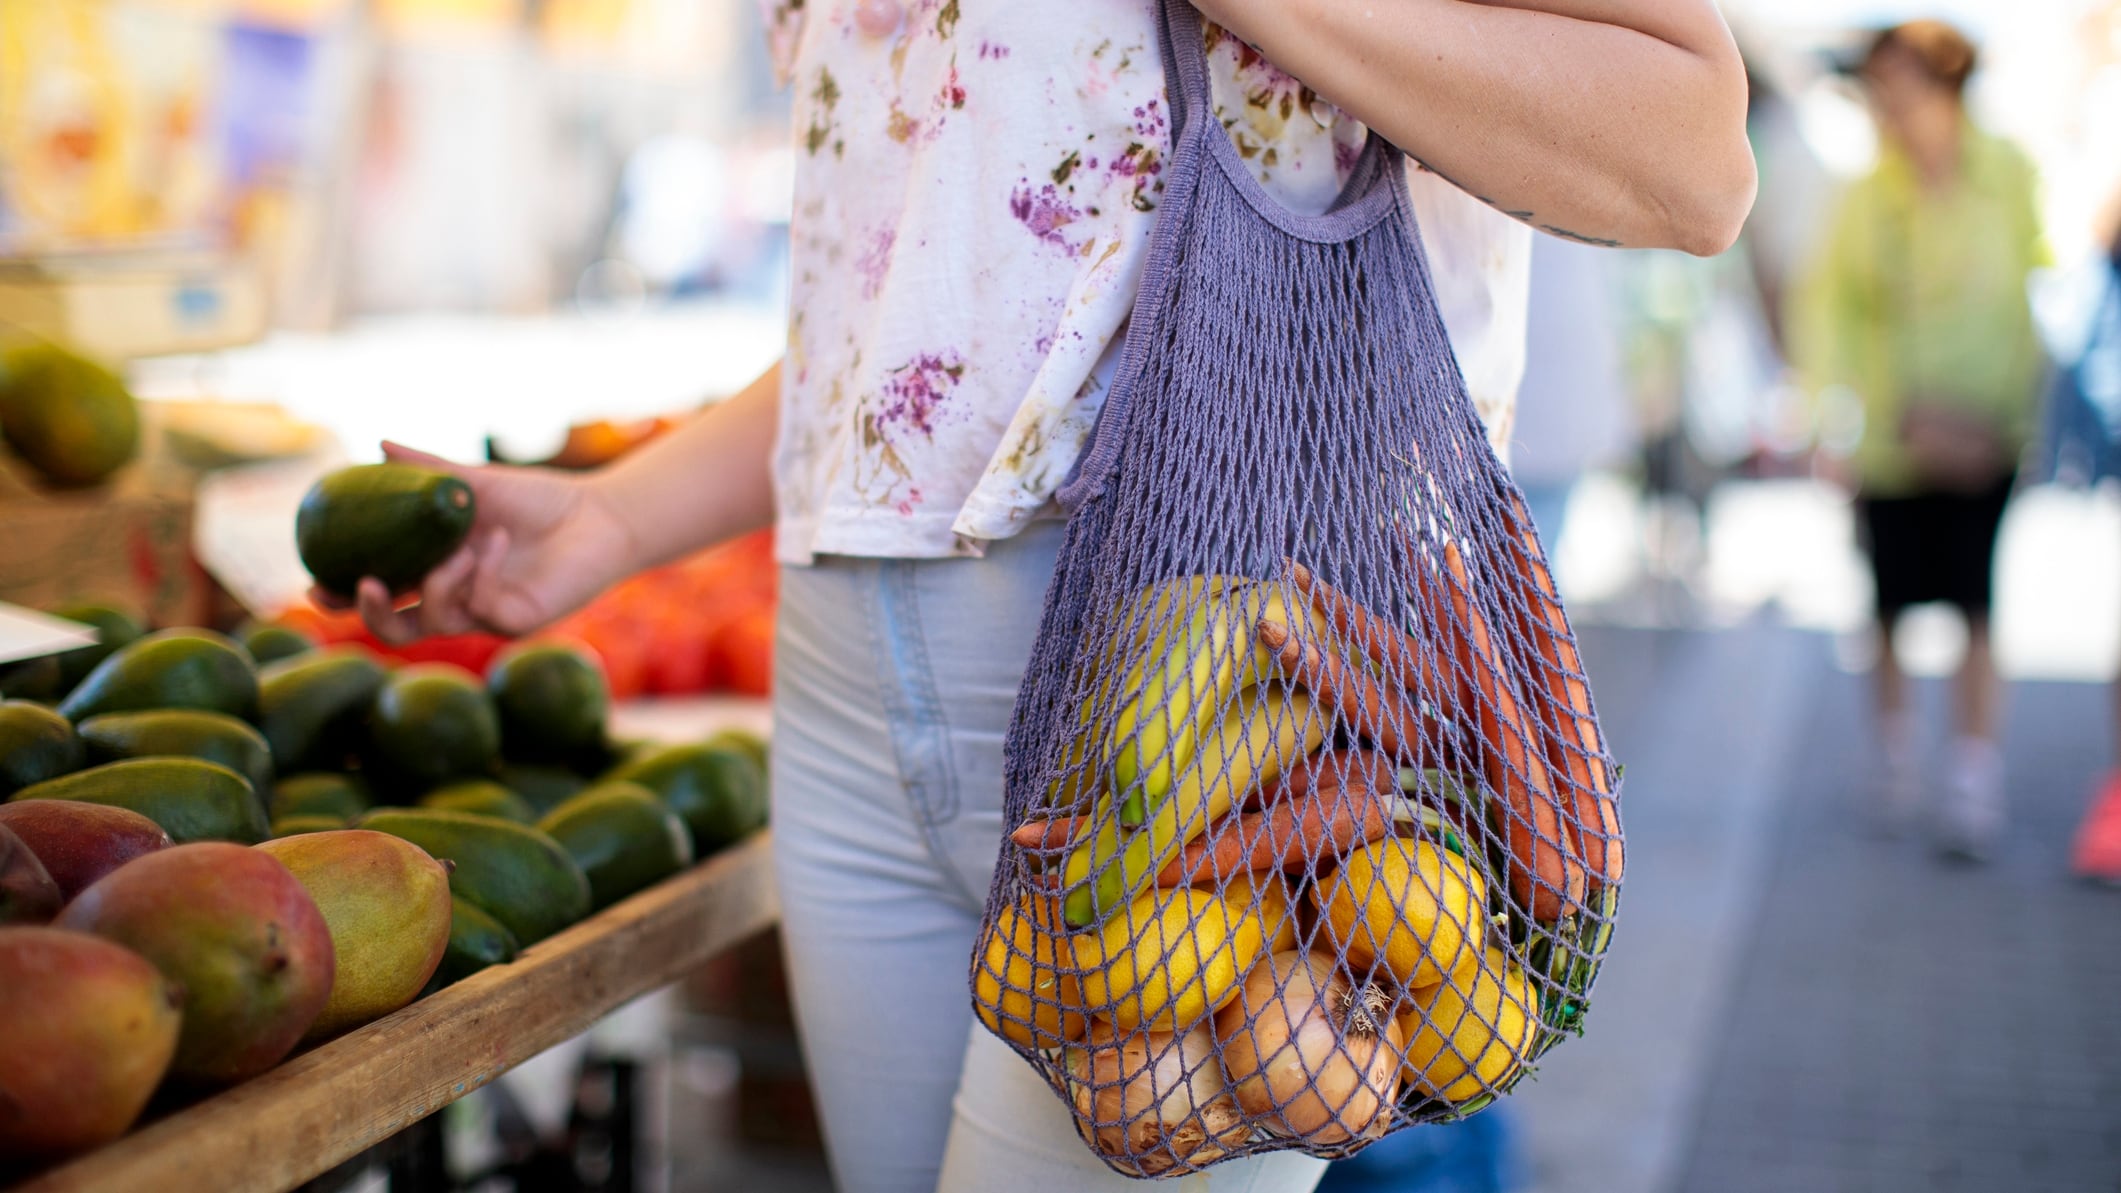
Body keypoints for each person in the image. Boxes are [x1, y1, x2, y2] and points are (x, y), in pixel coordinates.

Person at [326, 4, 1755, 1190]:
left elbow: (1689, 154)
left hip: (1216, 685)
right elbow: (921, 295)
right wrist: (616, 516)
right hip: (841, 681)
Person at [1790, 19, 2048, 860]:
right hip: (1894, 439)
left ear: (1945, 86)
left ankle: (1973, 772)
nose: (1885, 104)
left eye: (1898, 84)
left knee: (1976, 598)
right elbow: (1830, 310)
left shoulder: (2008, 173)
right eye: (1876, 88)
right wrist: (1856, 416)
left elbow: (2038, 293)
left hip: (1985, 434)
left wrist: (2009, 417)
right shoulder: (1865, 194)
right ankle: (1894, 756)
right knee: (1890, 600)